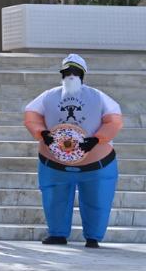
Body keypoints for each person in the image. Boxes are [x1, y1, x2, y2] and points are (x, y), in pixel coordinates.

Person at [23, 54, 124, 247]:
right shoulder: (48, 96)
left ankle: (93, 237)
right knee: (55, 200)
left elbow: (114, 120)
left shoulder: (99, 97)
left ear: (83, 75)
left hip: (96, 165)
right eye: (67, 72)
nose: (71, 75)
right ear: (61, 74)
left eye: (75, 72)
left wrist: (96, 139)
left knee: (98, 201)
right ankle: (57, 234)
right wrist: (42, 133)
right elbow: (32, 116)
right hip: (54, 163)